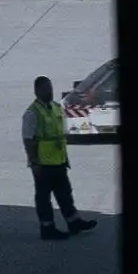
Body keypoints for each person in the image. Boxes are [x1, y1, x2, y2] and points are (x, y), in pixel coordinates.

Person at [22, 75, 81, 240]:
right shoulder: (32, 113)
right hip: (43, 164)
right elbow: (28, 140)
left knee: (65, 193)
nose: (50, 92)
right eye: (46, 89)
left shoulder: (55, 107)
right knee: (44, 198)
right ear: (37, 91)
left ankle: (74, 222)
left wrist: (65, 158)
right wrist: (34, 162)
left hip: (58, 161)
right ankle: (47, 229)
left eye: (50, 88)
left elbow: (59, 136)